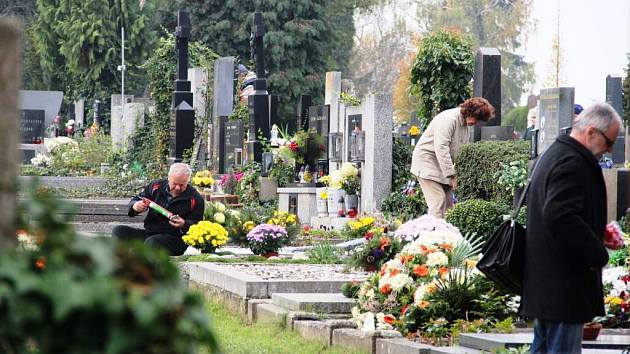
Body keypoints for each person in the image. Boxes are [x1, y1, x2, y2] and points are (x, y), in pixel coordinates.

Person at [521, 102, 622, 353]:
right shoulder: (572, 161)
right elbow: (560, 215)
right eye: (608, 142)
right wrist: (596, 252)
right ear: (591, 132)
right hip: (564, 285)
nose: (608, 150)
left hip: (548, 284)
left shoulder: (555, 153)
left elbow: (560, 212)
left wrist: (597, 231)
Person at [410, 97, 495, 218]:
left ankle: (448, 236)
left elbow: (459, 151)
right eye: (476, 118)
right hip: (427, 161)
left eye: (479, 120)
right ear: (469, 111)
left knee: (449, 206)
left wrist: (459, 174)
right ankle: (433, 234)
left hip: (442, 165)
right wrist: (451, 175)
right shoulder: (448, 119)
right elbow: (441, 148)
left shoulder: (465, 124)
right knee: (438, 201)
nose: (476, 122)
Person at [112, 163, 205, 256]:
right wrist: (135, 206)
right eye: (175, 183)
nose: (177, 188)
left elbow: (197, 226)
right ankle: (117, 262)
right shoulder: (156, 186)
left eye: (182, 185)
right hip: (150, 233)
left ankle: (137, 264)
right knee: (119, 231)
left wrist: (184, 224)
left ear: (188, 181)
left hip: (175, 240)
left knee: (152, 242)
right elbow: (138, 199)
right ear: (169, 178)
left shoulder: (195, 198)